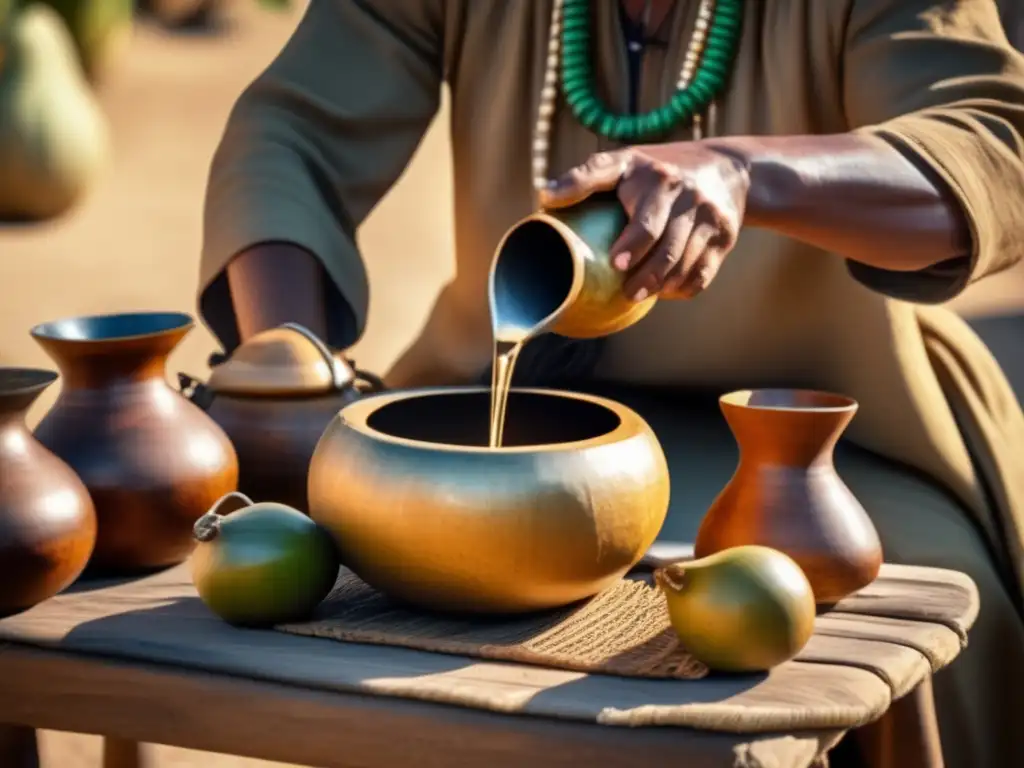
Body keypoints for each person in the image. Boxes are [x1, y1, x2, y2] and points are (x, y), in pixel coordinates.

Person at [197, 1, 1024, 765]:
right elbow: (291, 131)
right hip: (502, 414)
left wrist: (742, 173)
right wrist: (288, 366)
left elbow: (995, 148)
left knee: (931, 604)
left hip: (820, 427)